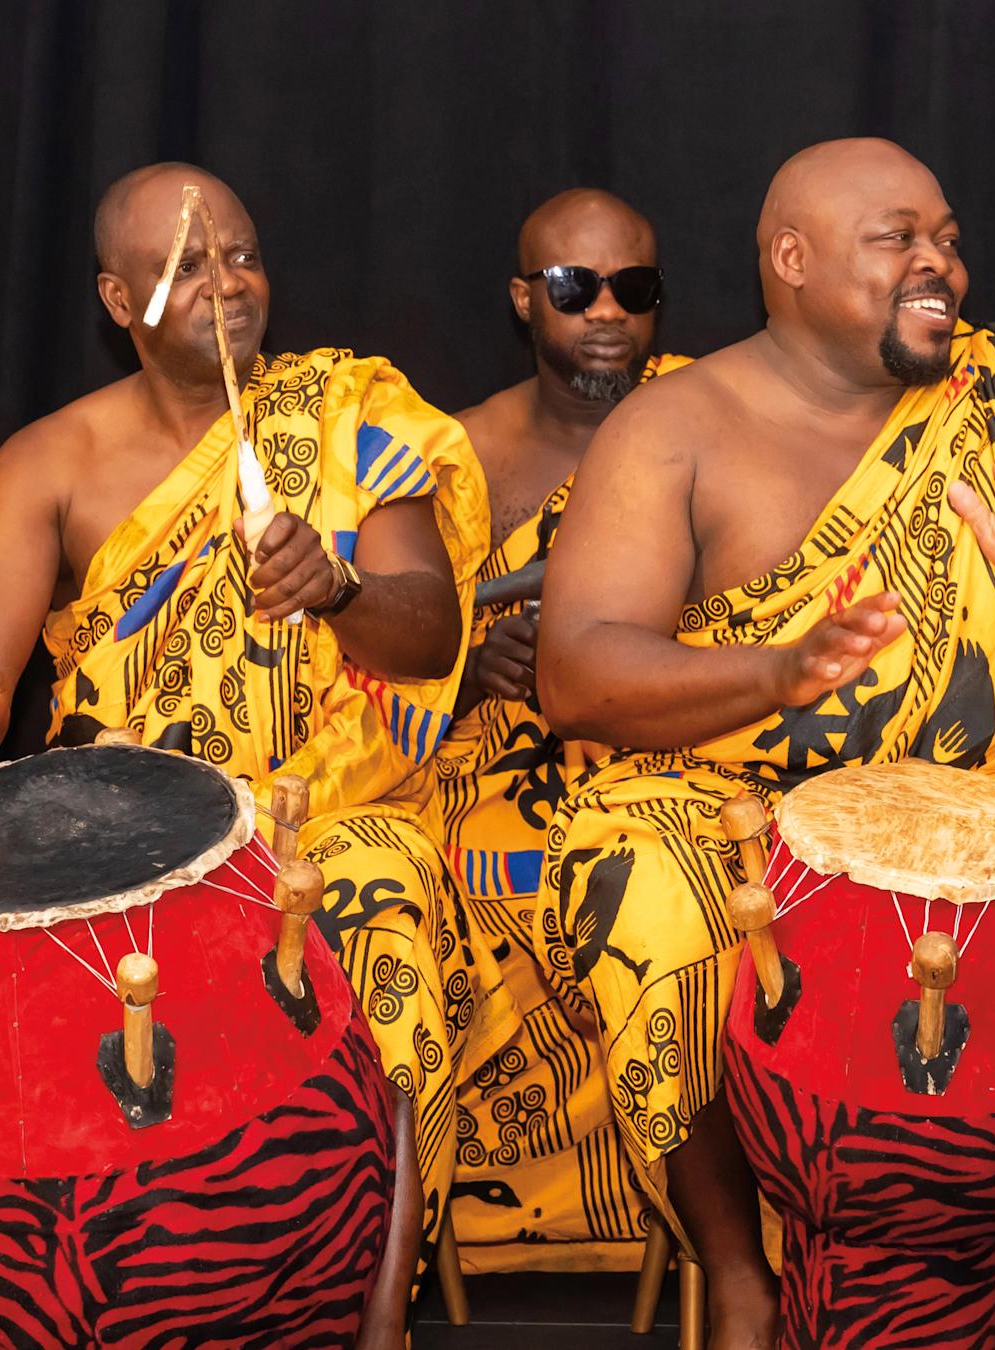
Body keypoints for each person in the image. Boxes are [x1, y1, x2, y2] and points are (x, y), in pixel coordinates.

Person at [534, 138, 995, 1349]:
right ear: (790, 261)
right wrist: (778, 673)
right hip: (737, 796)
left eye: (946, 237)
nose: (938, 265)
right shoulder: (677, 425)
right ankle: (740, 1277)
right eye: (896, 239)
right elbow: (580, 674)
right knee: (641, 890)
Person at [0, 163, 515, 1325]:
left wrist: (337, 589)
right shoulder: (49, 462)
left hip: (330, 814)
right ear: (115, 295)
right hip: (120, 836)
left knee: (384, 911)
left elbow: (432, 633)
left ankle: (376, 1315)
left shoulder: (347, 419)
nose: (227, 283)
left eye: (239, 254)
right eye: (188, 265)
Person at [420, 188, 686, 1268]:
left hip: (670, 744)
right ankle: (478, 1209)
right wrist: (472, 672)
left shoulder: (708, 423)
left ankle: (700, 1208)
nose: (609, 313)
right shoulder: (459, 455)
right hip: (497, 756)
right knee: (458, 874)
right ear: (526, 298)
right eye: (577, 290)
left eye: (637, 288)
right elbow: (388, 648)